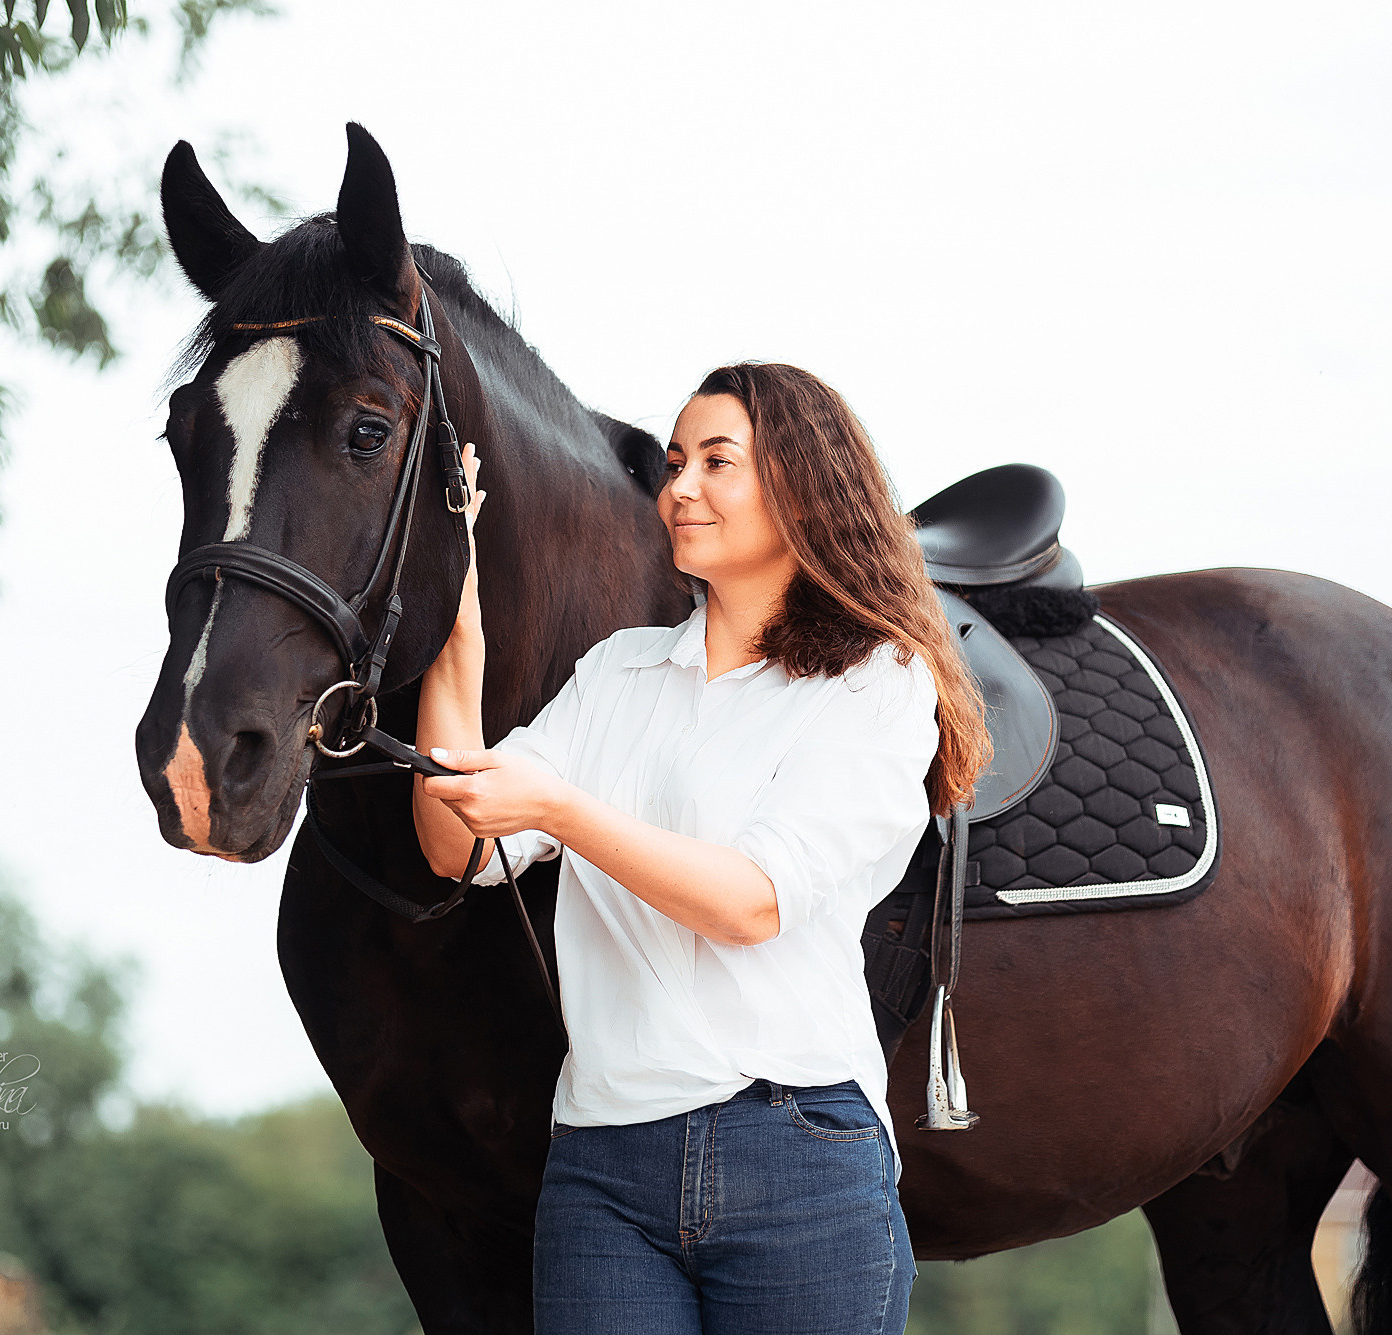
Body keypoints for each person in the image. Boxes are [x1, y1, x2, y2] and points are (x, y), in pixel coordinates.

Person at [411, 362, 991, 1335]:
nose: (677, 487)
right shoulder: (617, 674)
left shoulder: (875, 685)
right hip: (602, 1167)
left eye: (716, 462)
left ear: (801, 485)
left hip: (796, 1156)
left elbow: (751, 902)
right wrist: (456, 653)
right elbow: (456, 851)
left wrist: (558, 807)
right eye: (673, 462)